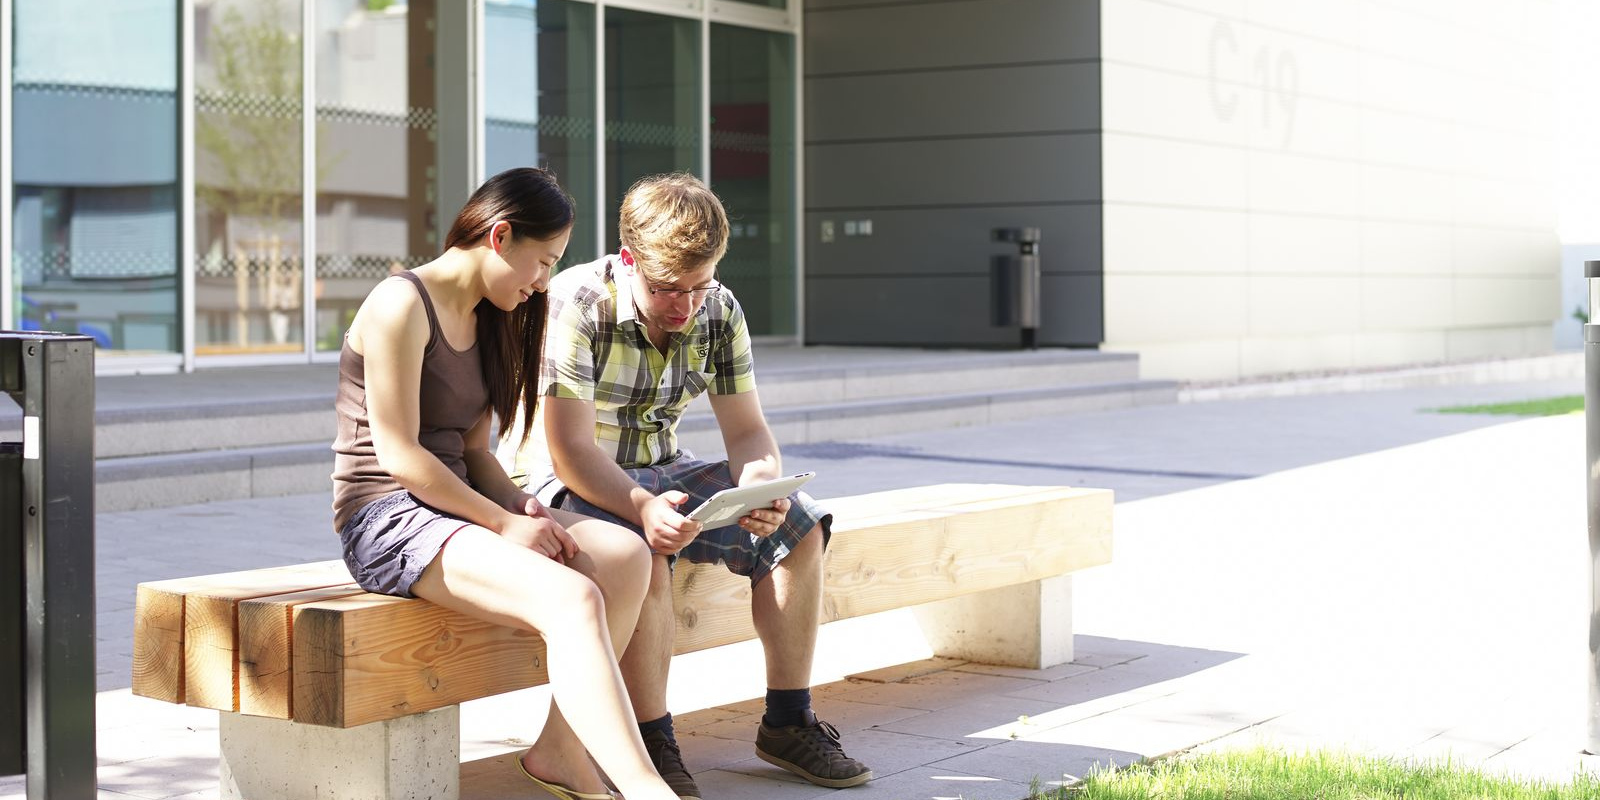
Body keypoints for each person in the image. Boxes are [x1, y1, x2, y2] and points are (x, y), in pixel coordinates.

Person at [497, 173, 872, 799]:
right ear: (628, 259)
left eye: (699, 287)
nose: (685, 306)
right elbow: (570, 449)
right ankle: (651, 740)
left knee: (800, 524)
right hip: (560, 477)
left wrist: (759, 488)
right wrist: (641, 506)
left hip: (659, 465)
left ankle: (788, 720)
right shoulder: (578, 301)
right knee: (643, 553)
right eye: (668, 288)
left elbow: (749, 433)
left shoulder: (718, 308)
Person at [331, 167, 680, 800]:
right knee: (574, 600)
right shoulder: (400, 304)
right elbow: (400, 453)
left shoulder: (493, 317)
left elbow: (472, 451)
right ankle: (644, 789)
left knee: (628, 555)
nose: (544, 281)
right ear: (499, 236)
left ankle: (560, 753)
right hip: (385, 517)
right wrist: (504, 524)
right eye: (542, 262)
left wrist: (521, 503)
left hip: (458, 508)